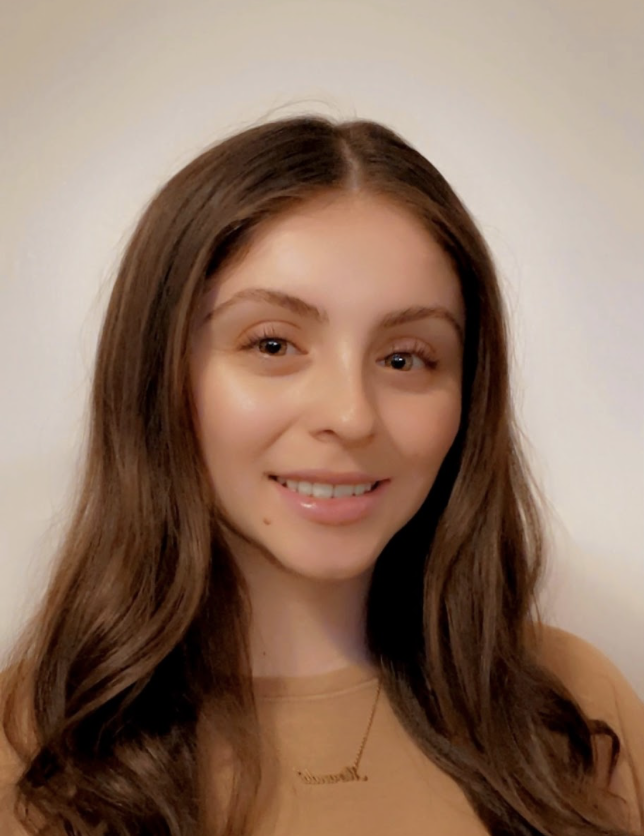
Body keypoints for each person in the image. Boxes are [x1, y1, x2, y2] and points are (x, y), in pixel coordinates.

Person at [0, 115, 642, 836]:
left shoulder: (571, 710)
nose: (351, 414)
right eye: (273, 343)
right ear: (158, 374)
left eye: (405, 358)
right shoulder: (31, 746)